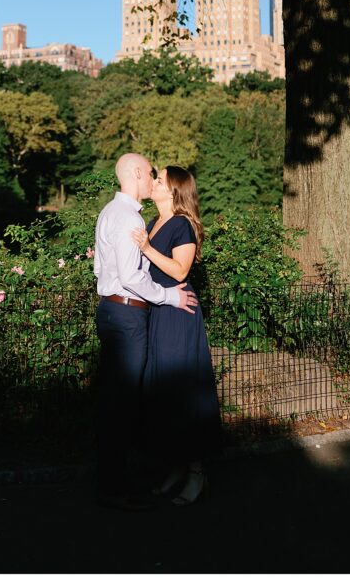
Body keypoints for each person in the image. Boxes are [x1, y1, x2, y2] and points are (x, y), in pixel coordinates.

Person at [93, 152, 198, 511]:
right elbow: (131, 276)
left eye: (159, 177)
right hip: (132, 313)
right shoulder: (130, 218)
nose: (152, 178)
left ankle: (128, 477)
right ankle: (115, 485)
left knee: (135, 398)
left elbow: (104, 268)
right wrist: (168, 295)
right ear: (137, 173)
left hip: (129, 312)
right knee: (123, 403)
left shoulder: (116, 213)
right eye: (151, 173)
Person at [131, 165, 222, 506]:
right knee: (163, 390)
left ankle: (197, 474)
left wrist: (147, 249)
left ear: (173, 190)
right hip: (159, 310)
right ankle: (177, 466)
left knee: (182, 390)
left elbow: (180, 269)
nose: (153, 182)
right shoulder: (154, 223)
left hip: (178, 314)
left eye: (159, 179)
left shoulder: (182, 224)